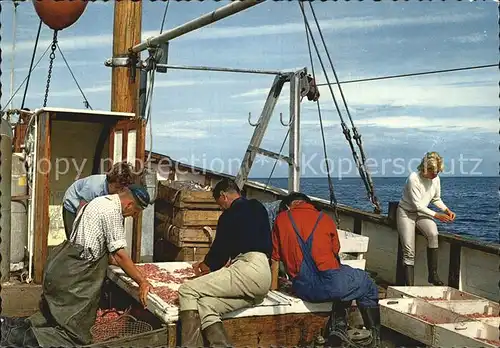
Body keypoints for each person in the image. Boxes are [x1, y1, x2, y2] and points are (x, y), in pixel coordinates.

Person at [21, 184, 153, 347]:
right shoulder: (112, 211)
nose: (133, 216)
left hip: (61, 266)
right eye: (135, 213)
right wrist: (142, 281)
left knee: (50, 316)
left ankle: (14, 327)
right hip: (77, 273)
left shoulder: (99, 201)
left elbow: (97, 243)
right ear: (129, 205)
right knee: (73, 332)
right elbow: (119, 253)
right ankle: (22, 339)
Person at [271, 192, 381, 348]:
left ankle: (339, 329)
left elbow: (274, 259)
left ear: (288, 206)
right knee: (367, 283)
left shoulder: (281, 220)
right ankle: (374, 339)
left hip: (303, 288)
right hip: (332, 285)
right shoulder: (325, 219)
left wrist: (273, 288)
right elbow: (335, 251)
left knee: (344, 281)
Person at [178, 178, 272, 347]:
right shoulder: (259, 207)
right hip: (264, 275)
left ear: (223, 196)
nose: (220, 207)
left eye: (219, 204)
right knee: (206, 304)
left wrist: (203, 267)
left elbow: (219, 253)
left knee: (187, 290)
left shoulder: (228, 215)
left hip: (247, 268)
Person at [397, 151, 455, 286]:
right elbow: (417, 205)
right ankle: (409, 286)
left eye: (437, 173)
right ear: (425, 169)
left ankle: (433, 274)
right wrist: (437, 215)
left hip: (421, 214)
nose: (435, 176)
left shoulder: (435, 179)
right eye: (433, 172)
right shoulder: (413, 179)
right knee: (409, 251)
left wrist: (446, 210)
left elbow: (436, 198)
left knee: (433, 233)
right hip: (406, 213)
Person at [61, 161, 139, 239]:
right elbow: (81, 211)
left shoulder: (117, 189)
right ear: (110, 182)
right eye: (117, 188)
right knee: (75, 239)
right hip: (73, 205)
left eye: (121, 188)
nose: (118, 192)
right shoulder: (94, 187)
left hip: (88, 204)